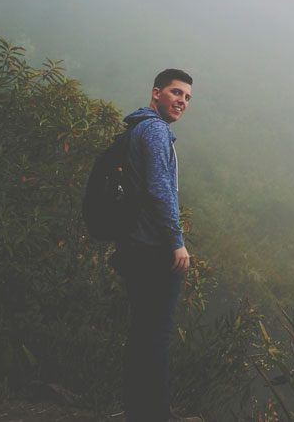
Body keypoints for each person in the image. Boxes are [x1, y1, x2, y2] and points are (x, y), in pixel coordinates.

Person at [116, 68, 199, 422]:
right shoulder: (154, 130)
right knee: (157, 333)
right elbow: (160, 189)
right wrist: (177, 242)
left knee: (143, 331)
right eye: (176, 93)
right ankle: (157, 413)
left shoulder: (139, 127)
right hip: (152, 246)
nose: (182, 101)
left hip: (136, 243)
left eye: (187, 97)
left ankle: (140, 410)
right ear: (156, 93)